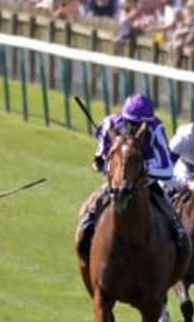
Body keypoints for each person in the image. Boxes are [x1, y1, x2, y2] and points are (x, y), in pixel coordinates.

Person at [76, 93, 186, 261]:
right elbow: (99, 159)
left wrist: (139, 169)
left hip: (146, 184)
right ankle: (88, 225)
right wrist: (105, 163)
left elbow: (167, 169)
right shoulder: (110, 124)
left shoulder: (156, 129)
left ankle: (177, 233)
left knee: (174, 220)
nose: (134, 128)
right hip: (116, 183)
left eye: (139, 124)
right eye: (130, 123)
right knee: (92, 208)